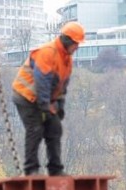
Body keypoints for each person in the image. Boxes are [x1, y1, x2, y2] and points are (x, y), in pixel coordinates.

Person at [12, 21, 85, 176]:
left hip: (42, 99)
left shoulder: (67, 60)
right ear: (68, 41)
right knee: (35, 129)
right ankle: (31, 169)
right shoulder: (48, 52)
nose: (77, 47)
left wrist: (60, 105)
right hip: (25, 96)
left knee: (55, 128)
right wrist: (45, 105)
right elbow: (42, 81)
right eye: (76, 44)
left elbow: (62, 86)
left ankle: (55, 169)